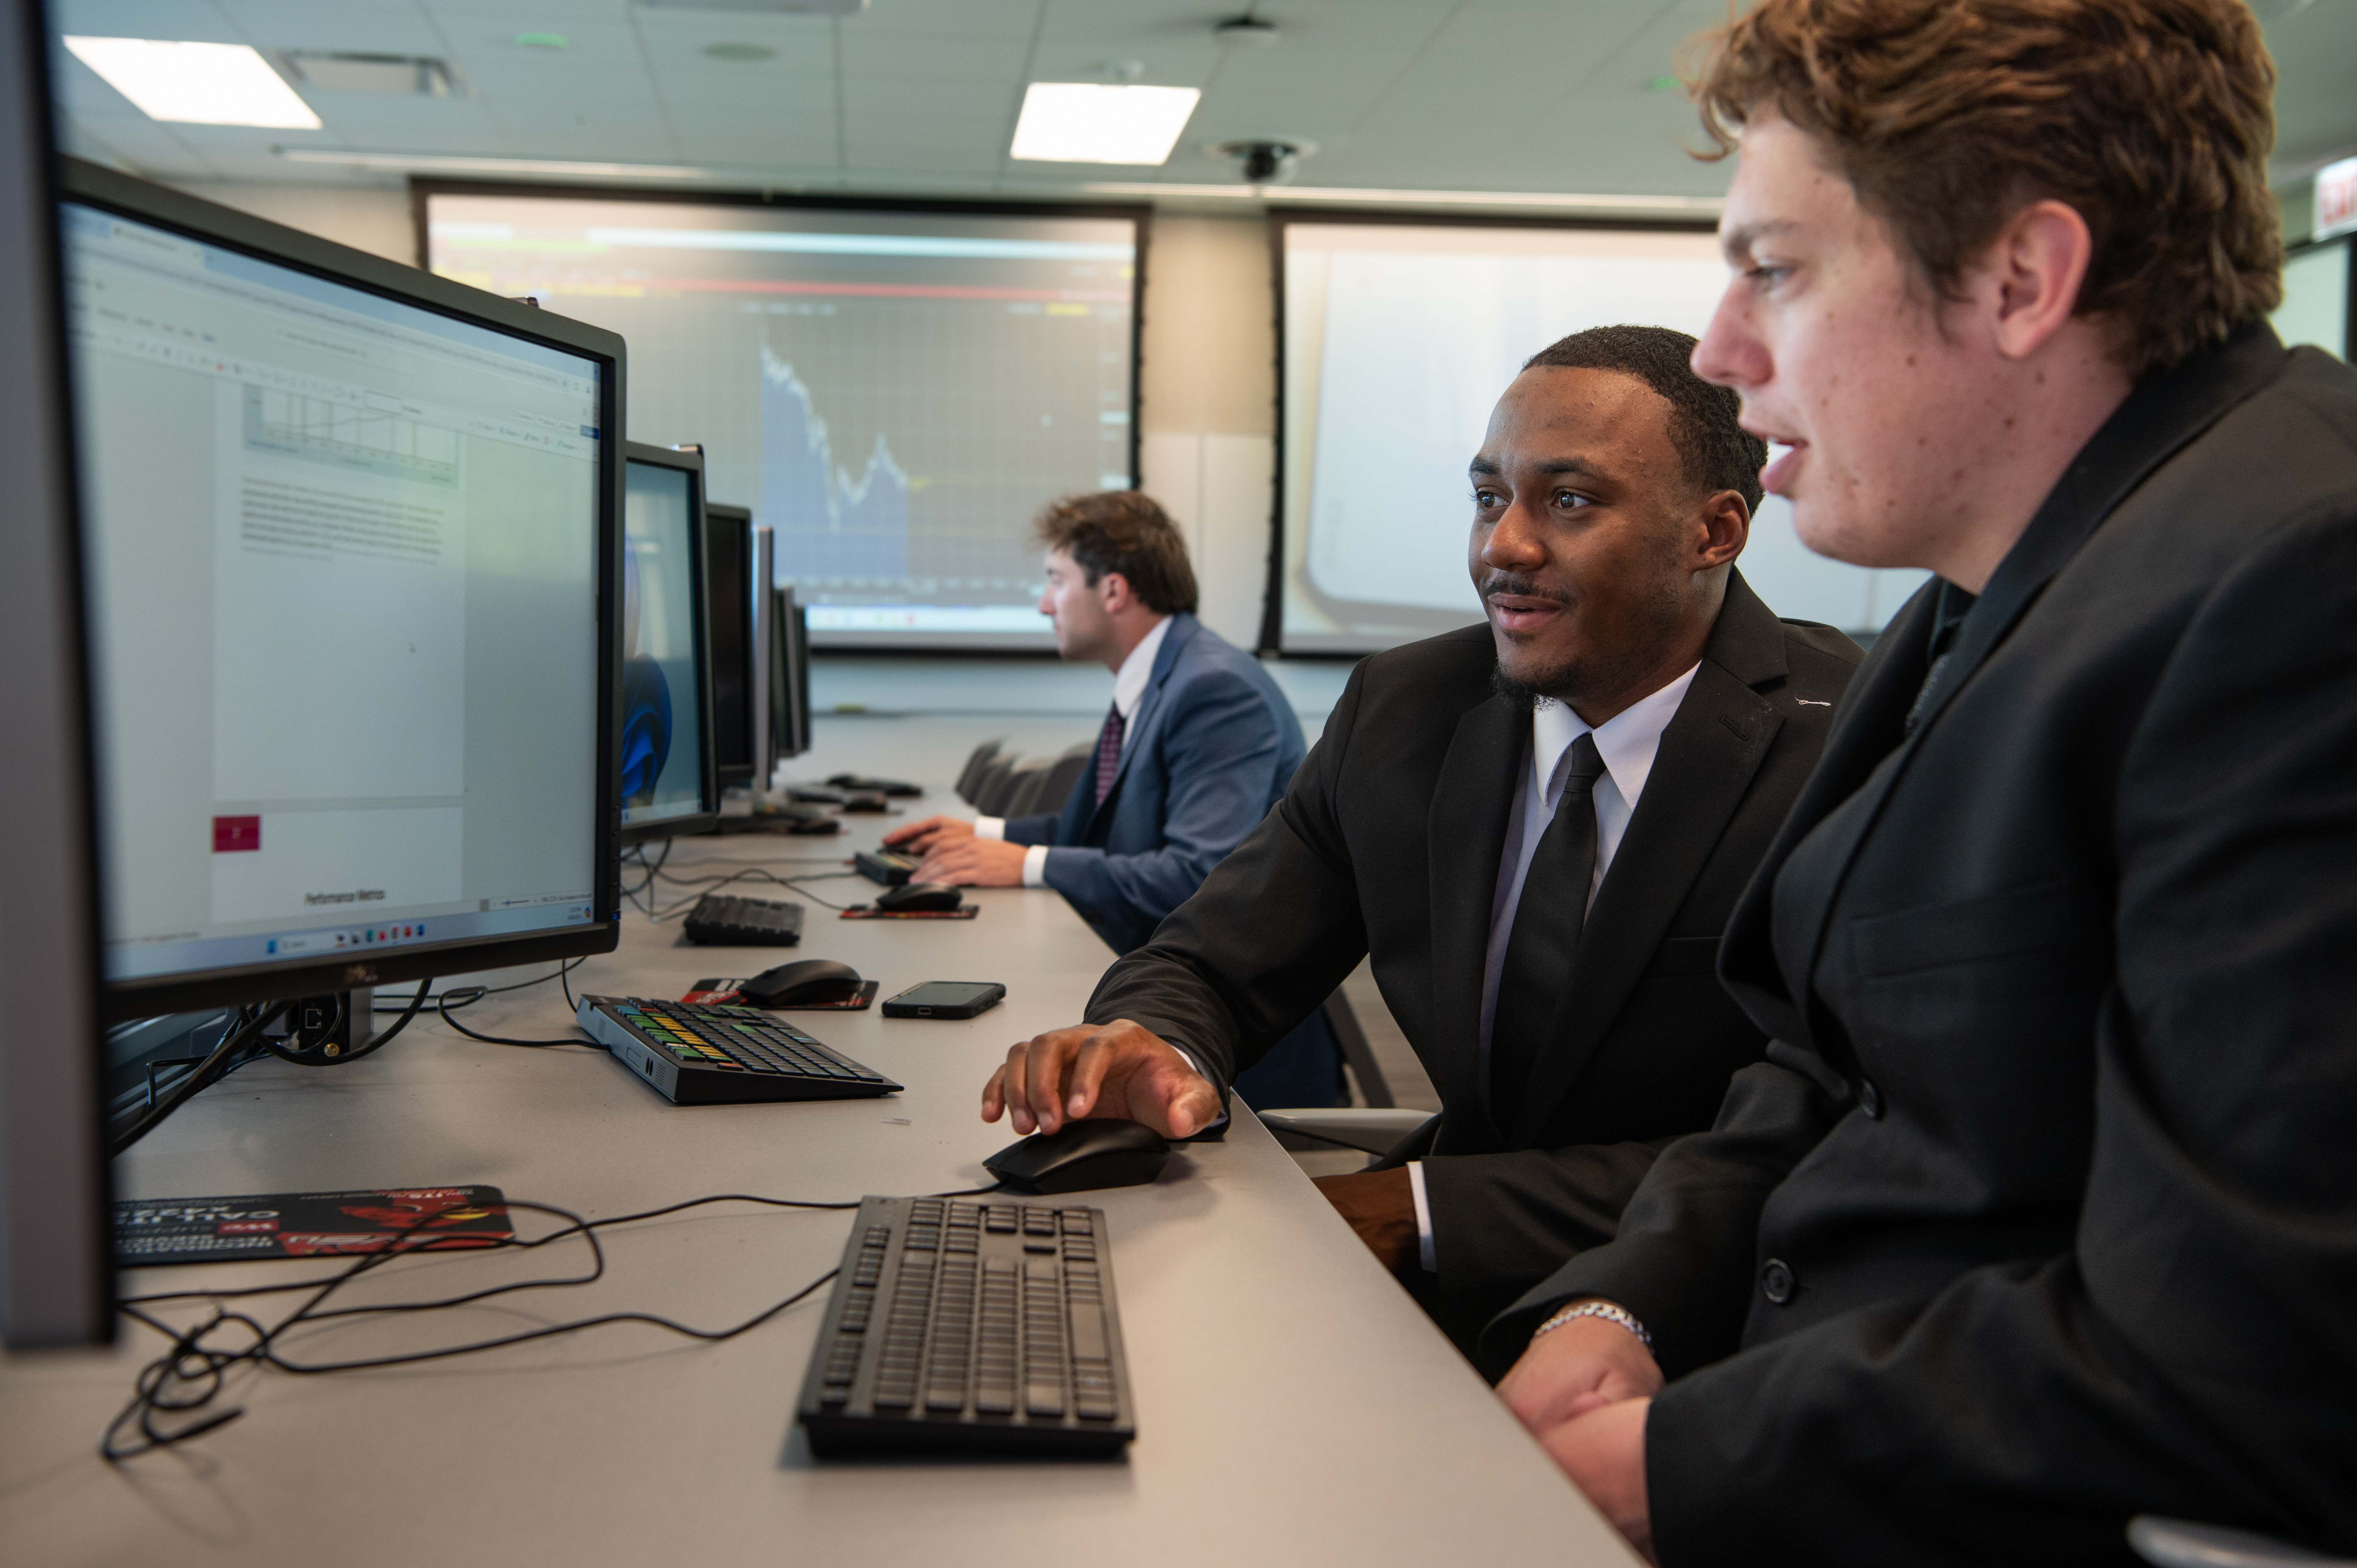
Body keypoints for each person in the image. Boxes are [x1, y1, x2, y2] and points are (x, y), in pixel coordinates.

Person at [1488, 1, 2357, 1563]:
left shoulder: (2301, 584)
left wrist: (1665, 1464)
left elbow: (2244, 1350)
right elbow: (1832, 1068)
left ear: (2022, 280)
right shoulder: (2018, 564)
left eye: (1777, 270)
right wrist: (1627, 1302)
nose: (1719, 350)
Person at [977, 325, 1862, 1351]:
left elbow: (1827, 1138)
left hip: (1710, 1324)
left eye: (1569, 501)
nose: (1504, 547)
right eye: (1490, 498)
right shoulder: (1405, 708)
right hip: (1434, 1291)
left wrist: (1427, 1211)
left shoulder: (1844, 745)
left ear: (1716, 532)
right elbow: (1210, 960)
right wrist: (1157, 1049)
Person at [885, 491, 1341, 1108]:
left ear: (1115, 591)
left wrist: (1023, 864)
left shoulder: (1214, 690)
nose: (1045, 603)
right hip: (1151, 991)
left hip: (1222, 1048)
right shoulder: (1153, 678)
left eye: (1055, 581)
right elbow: (1092, 830)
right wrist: (984, 834)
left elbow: (1198, 878)